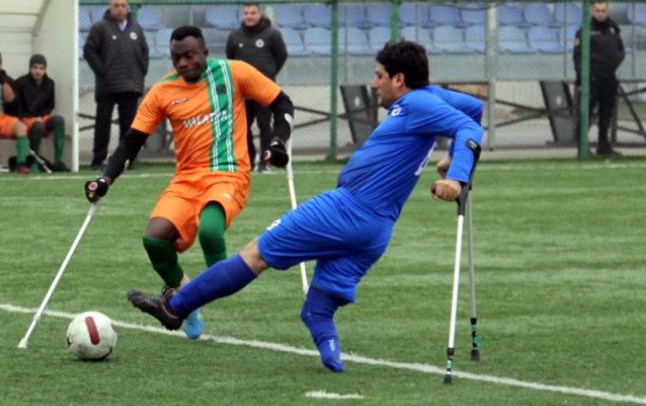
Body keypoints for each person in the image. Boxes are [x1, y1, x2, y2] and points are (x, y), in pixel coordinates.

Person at [127, 40, 484, 373]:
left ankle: (174, 308)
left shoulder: (418, 103)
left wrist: (457, 176)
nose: (374, 85)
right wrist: (453, 156)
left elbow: (468, 125)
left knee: (255, 255)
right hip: (376, 231)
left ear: (399, 79)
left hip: (345, 210)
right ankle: (332, 356)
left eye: (378, 76)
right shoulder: (430, 97)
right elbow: (474, 109)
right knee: (318, 309)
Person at [84, 25, 295, 340]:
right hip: (186, 179)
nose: (183, 64)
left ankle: (212, 287)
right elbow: (131, 143)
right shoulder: (162, 91)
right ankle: (187, 300)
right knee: (154, 238)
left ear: (205, 52)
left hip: (228, 172)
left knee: (210, 229)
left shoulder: (234, 73)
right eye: (176, 58)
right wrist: (105, 179)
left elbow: (282, 104)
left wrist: (278, 140)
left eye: (189, 56)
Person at [83, 0, 149, 170]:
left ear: (127, 8)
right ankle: (98, 160)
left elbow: (144, 52)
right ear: (110, 8)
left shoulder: (137, 28)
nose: (120, 9)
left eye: (123, 5)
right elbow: (89, 51)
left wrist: (141, 71)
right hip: (108, 85)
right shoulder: (100, 28)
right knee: (103, 124)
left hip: (131, 84)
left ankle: (126, 160)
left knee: (129, 126)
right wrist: (102, 71)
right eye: (116, 5)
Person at [225, 3, 287, 170]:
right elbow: (230, 58)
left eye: (253, 13)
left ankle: (264, 162)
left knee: (265, 126)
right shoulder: (235, 36)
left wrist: (268, 75)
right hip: (242, 92)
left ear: (260, 14)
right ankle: (249, 161)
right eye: (246, 13)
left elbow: (281, 56)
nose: (249, 16)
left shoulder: (272, 34)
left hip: (264, 91)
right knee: (242, 127)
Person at [573, 2, 625, 156]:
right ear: (593, 12)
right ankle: (582, 147)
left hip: (609, 78)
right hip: (592, 78)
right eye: (597, 10)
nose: (600, 13)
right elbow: (578, 57)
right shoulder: (585, 30)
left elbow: (620, 50)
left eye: (603, 10)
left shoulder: (613, 28)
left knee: (606, 113)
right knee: (586, 113)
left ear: (607, 11)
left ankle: (603, 146)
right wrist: (582, 78)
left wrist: (614, 62)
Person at [13, 54, 70, 172]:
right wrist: (31, 118)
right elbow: (17, 107)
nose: (38, 71)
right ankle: (34, 161)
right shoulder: (20, 83)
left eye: (41, 68)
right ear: (30, 68)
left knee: (59, 120)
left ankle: (58, 161)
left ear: (45, 69)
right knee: (38, 126)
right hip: (26, 119)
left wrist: (41, 116)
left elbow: (50, 105)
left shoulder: (50, 83)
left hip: (42, 117)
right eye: (35, 68)